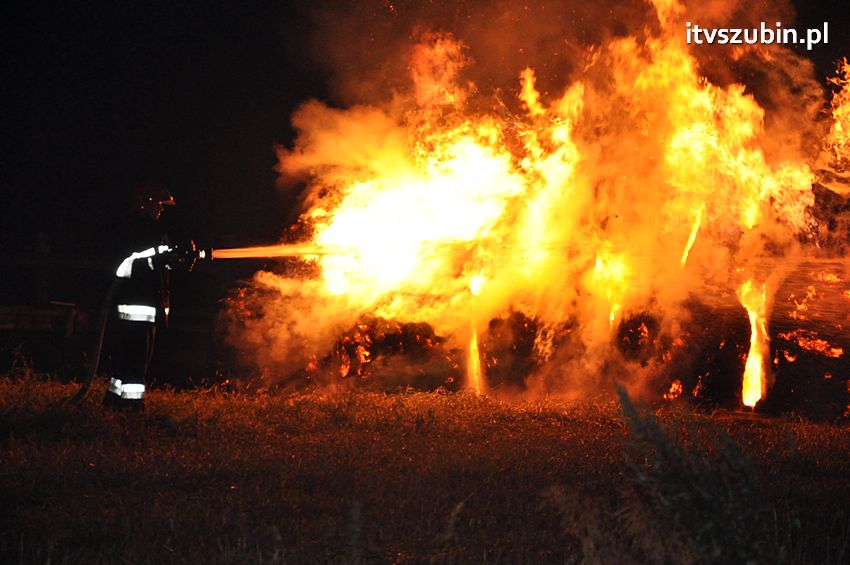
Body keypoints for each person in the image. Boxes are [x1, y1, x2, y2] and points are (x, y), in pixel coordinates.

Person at [102, 184, 176, 410]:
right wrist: (168, 252)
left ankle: (114, 399)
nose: (161, 210)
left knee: (124, 356)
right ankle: (133, 406)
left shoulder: (136, 228)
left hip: (136, 305)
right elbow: (146, 259)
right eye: (159, 205)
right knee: (137, 358)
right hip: (140, 306)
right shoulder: (143, 230)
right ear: (146, 202)